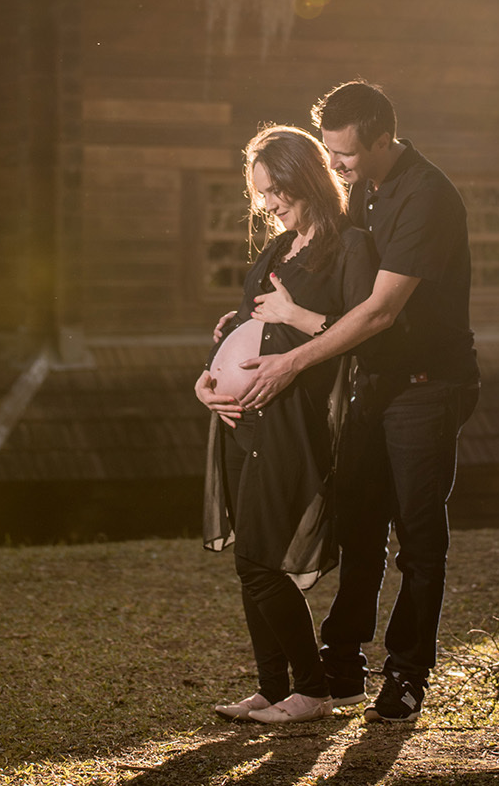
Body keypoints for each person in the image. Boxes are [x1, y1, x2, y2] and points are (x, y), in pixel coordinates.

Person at [239, 81, 479, 726]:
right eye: (330, 151)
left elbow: (377, 313)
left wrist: (291, 361)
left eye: (344, 154)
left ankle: (407, 673)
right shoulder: (363, 188)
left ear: (382, 138)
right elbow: (334, 289)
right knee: (359, 527)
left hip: (427, 385)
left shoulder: (426, 195)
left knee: (418, 539)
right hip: (373, 383)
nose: (334, 165)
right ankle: (343, 664)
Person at [194, 124, 376, 725]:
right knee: (253, 559)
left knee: (260, 562)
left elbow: (363, 335)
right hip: (246, 421)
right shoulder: (277, 251)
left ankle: (313, 690)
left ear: (307, 180)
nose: (268, 203)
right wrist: (210, 376)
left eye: (276, 190)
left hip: (296, 422)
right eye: (261, 193)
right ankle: (272, 688)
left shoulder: (350, 247)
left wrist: (295, 314)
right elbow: (250, 325)